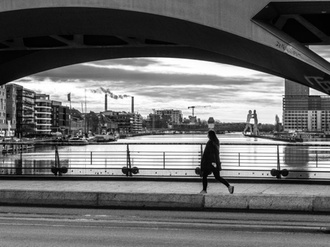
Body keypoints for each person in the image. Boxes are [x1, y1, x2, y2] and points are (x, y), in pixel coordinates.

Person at [200, 130, 234, 194]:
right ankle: (229, 186)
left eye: (208, 134)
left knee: (205, 175)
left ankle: (204, 190)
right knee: (217, 177)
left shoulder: (210, 143)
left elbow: (209, 153)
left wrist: (211, 162)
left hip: (210, 163)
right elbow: (215, 153)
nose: (207, 136)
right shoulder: (216, 142)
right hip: (215, 162)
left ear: (210, 135)